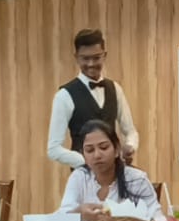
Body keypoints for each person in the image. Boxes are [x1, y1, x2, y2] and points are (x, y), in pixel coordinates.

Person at [46, 29, 140, 169]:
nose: (91, 64)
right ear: (76, 57)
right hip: (83, 175)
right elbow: (53, 149)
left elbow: (131, 132)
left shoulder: (115, 88)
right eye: (85, 58)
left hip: (115, 171)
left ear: (104, 55)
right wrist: (87, 159)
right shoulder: (64, 95)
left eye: (96, 58)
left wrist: (130, 146)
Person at [57, 120, 164, 221]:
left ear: (117, 150)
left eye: (103, 147)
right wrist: (78, 214)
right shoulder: (79, 177)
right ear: (83, 155)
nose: (97, 155)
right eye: (89, 150)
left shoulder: (137, 179)